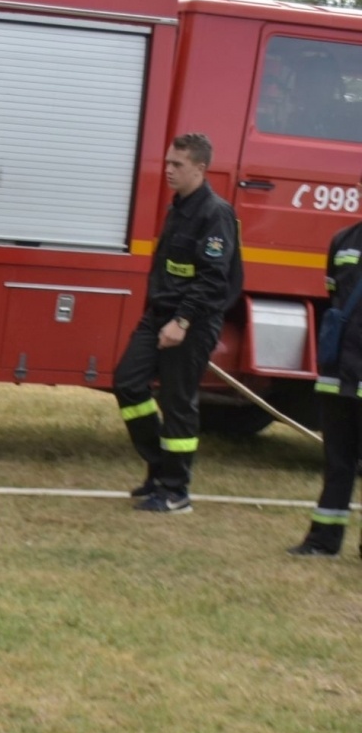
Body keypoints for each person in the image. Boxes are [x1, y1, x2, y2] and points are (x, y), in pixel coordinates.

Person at [113, 133, 244, 515]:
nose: (168, 170)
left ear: (200, 169)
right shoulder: (179, 207)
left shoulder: (215, 214)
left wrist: (183, 321)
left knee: (177, 402)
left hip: (192, 322)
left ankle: (176, 492)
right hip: (159, 316)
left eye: (178, 165)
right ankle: (158, 466)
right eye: (168, 162)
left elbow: (213, 279)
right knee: (127, 382)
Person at [288, 217, 362, 557]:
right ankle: (322, 541)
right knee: (337, 462)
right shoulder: (343, 239)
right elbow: (333, 294)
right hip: (338, 375)